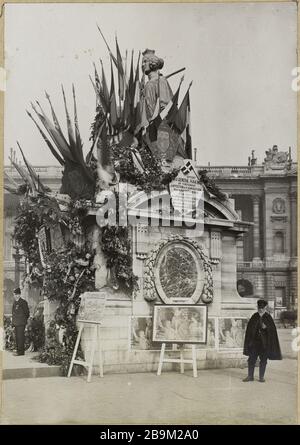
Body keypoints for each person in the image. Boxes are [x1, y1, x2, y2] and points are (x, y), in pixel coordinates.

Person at [243, 299, 282, 382]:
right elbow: (249, 329)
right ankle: (250, 376)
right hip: (254, 343)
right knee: (251, 359)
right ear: (257, 307)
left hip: (264, 344)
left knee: (263, 360)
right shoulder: (254, 316)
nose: (260, 309)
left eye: (262, 307)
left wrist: (266, 327)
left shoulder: (268, 317)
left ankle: (261, 377)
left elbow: (273, 330)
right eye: (259, 307)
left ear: (265, 307)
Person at [11, 287, 30, 356]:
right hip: (16, 323)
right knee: (17, 338)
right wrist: (12, 324)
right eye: (15, 294)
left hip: (21, 323)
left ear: (20, 294)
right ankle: (18, 351)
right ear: (14, 295)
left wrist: (23, 320)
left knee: (20, 337)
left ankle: (21, 352)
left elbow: (27, 313)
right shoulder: (14, 303)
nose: (16, 296)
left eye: (18, 294)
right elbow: (13, 314)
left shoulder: (23, 302)